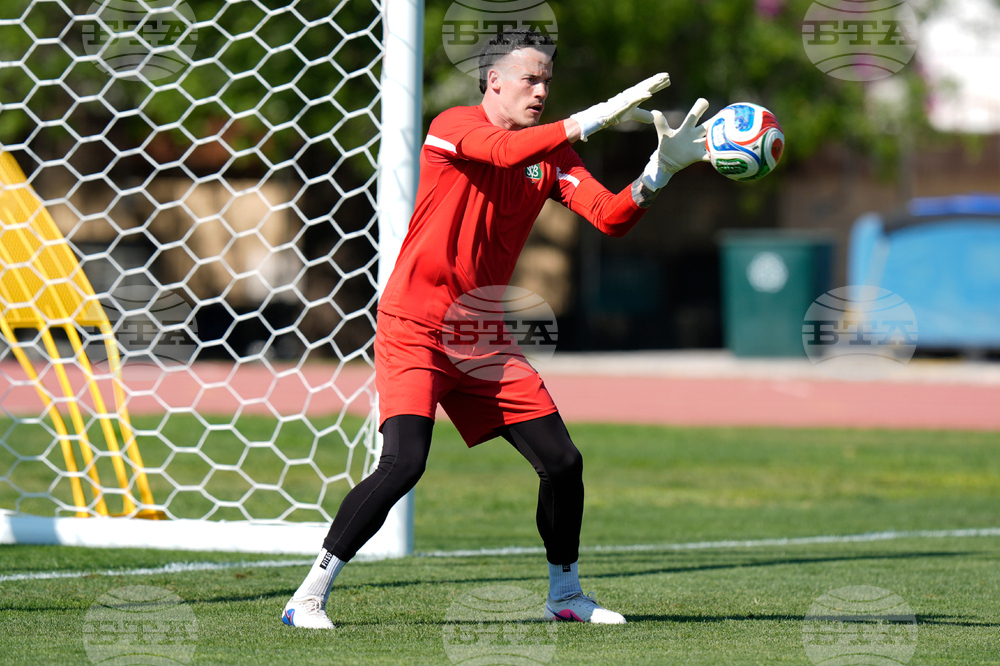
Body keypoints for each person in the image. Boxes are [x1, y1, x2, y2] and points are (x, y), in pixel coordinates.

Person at [282, 28, 710, 629]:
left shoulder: (551, 156)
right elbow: (506, 153)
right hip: (414, 325)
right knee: (404, 463)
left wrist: (659, 170)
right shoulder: (453, 126)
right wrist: (588, 119)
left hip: (480, 337)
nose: (540, 91)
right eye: (530, 79)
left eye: (547, 83)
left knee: (563, 462)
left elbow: (609, 217)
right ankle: (307, 597)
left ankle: (566, 595)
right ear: (495, 81)